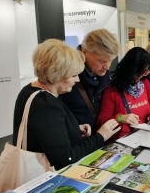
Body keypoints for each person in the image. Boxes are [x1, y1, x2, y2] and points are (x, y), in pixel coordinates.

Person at [13, 39, 120, 170]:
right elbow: (64, 159)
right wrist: (101, 136)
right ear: (55, 75)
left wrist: (73, 128)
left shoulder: (29, 91)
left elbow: (43, 132)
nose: (77, 79)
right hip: (44, 177)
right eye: (73, 75)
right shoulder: (47, 105)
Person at [59, 29, 119, 129]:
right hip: (78, 139)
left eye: (110, 61)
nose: (107, 67)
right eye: (102, 61)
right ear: (85, 52)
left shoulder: (102, 73)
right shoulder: (67, 74)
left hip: (98, 137)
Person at [96, 47, 150, 140]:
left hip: (145, 137)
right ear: (130, 69)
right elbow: (100, 122)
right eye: (138, 73)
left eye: (145, 72)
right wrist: (120, 118)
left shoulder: (145, 83)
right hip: (123, 140)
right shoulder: (112, 91)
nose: (140, 77)